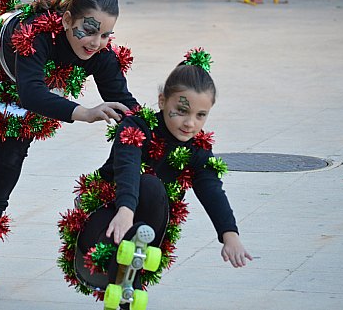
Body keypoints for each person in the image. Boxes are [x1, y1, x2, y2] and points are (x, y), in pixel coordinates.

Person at [0, 0, 139, 292]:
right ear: (67, 20)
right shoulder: (34, 36)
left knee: (129, 128)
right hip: (3, 73)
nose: (96, 42)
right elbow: (31, 94)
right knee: (10, 159)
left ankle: (104, 189)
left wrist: (157, 128)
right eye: (89, 30)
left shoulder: (100, 51)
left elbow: (126, 106)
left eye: (106, 34)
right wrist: (85, 112)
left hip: (40, 82)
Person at [57, 48, 252, 308]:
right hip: (108, 219)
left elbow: (211, 189)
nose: (190, 123)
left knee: (153, 190)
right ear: (162, 101)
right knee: (147, 181)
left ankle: (129, 282)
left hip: (149, 227)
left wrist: (230, 235)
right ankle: (127, 262)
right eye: (182, 111)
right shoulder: (137, 127)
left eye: (200, 115)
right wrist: (126, 210)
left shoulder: (198, 148)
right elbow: (127, 168)